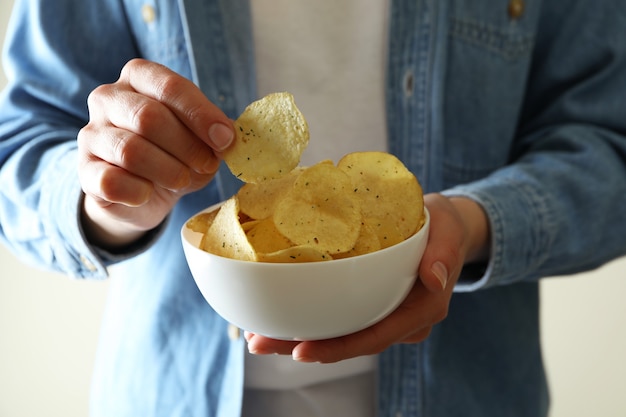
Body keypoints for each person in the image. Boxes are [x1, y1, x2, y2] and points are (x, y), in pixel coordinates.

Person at [1, 0, 625, 416]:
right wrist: (110, 195)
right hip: (170, 392)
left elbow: (610, 144)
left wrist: (470, 223)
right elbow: (20, 147)